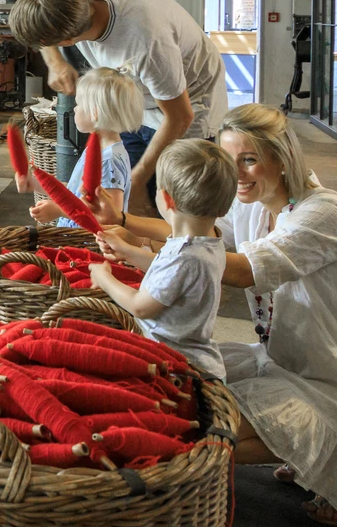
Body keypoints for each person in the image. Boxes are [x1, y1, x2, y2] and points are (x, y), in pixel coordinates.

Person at [89, 104, 337, 527]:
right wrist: (126, 224)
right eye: (229, 160)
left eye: (250, 159)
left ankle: (327, 460)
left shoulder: (325, 212)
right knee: (189, 399)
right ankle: (305, 454)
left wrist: (134, 264)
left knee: (197, 431)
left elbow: (239, 268)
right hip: (287, 356)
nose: (237, 174)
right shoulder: (253, 203)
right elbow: (196, 228)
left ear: (283, 157)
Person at [10, 0, 226, 218]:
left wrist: (138, 181)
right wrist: (55, 62)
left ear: (67, 41)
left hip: (187, 104)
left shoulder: (146, 43)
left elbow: (180, 116)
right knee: (125, 199)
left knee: (173, 204)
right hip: (135, 100)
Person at [87, 139, 237, 378]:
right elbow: (169, 273)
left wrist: (104, 278)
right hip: (192, 359)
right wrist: (128, 251)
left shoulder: (185, 256)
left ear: (167, 199)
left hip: (176, 367)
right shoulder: (207, 242)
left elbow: (140, 306)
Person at [23, 66, 139, 227]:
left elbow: (110, 216)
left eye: (78, 104)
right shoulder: (99, 150)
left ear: (95, 112)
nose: (75, 109)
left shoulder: (109, 160)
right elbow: (75, 190)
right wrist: (34, 184)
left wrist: (59, 210)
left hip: (87, 247)